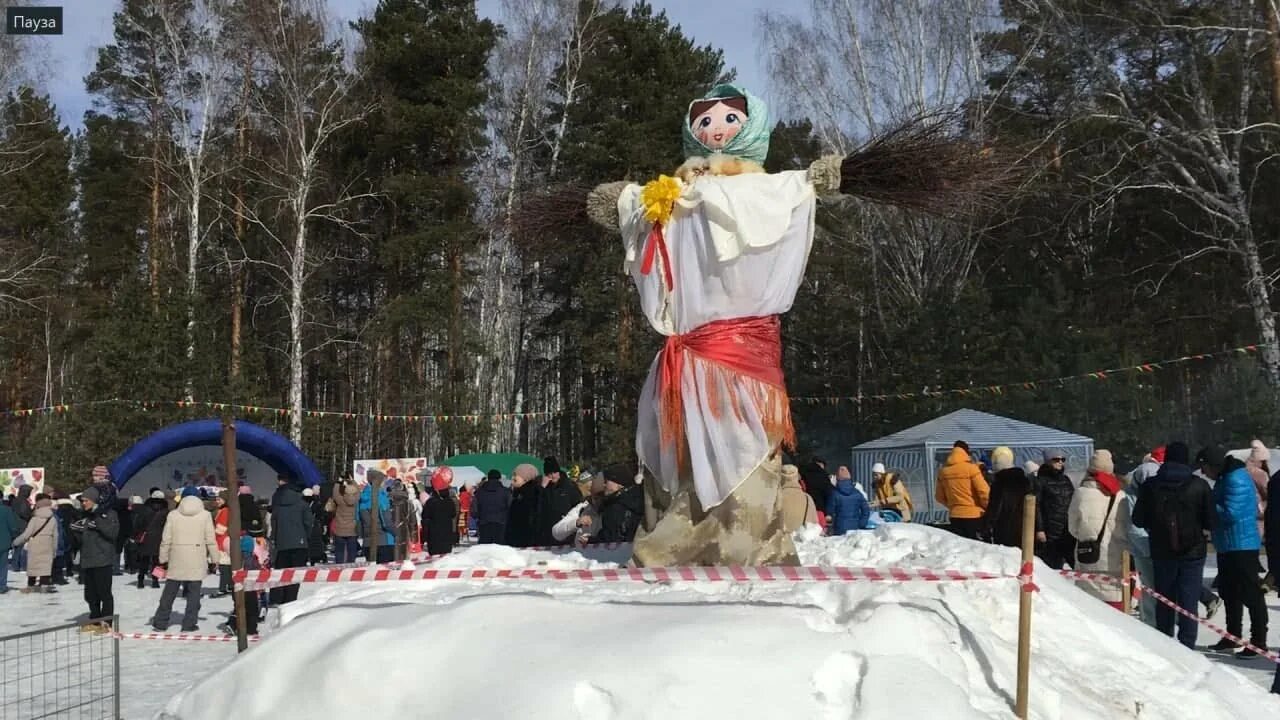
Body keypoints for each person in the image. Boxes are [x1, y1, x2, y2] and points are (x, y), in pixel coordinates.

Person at [1131, 441, 1214, 649]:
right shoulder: (1199, 485)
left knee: (1164, 599)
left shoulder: (1150, 486)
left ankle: (1165, 644)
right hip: (1193, 551)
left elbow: (1138, 519)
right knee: (1189, 600)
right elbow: (1211, 521)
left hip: (1161, 550)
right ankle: (1187, 645)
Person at [1197, 445, 1269, 656]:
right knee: (1229, 592)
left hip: (1242, 545)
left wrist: (1206, 506)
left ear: (1214, 465)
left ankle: (1258, 641)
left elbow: (1231, 513)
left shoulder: (1235, 479)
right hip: (1228, 544)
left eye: (1204, 467)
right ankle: (1232, 635)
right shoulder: (1224, 478)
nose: (1202, 473)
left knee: (1251, 592)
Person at [1067, 450, 1131, 608]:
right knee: (1117, 613)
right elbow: (1126, 529)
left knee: (1090, 612)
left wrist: (1088, 536)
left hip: (1089, 557)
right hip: (1116, 559)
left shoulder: (1081, 493)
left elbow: (1072, 527)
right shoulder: (1121, 496)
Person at [151, 489, 218, 632]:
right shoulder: (205, 515)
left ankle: (160, 622)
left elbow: (166, 539)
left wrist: (163, 558)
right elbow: (211, 540)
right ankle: (189, 623)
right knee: (194, 593)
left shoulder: (173, 515)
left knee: (169, 591)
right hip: (196, 557)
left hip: (177, 556)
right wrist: (214, 560)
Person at [72, 485, 119, 630]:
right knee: (90, 594)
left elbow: (113, 533)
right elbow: (83, 539)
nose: (83, 503)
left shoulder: (109, 514)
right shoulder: (85, 515)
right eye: (82, 501)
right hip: (88, 559)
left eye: (86, 501)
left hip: (103, 560)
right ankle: (95, 618)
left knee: (104, 592)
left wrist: (97, 522)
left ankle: (107, 621)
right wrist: (75, 532)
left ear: (94, 500)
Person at [1126, 448, 1163, 626]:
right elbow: (1134, 525)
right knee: (1150, 587)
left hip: (1155, 545)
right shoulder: (1132, 495)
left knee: (1157, 588)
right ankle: (1151, 623)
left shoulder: (1139, 490)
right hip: (1145, 547)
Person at [985, 446, 1042, 548]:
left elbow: (995, 508)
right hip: (1025, 529)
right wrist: (1039, 528)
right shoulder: (1025, 481)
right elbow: (1034, 505)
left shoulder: (999, 484)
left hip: (1005, 530)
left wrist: (986, 526)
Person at [269, 476, 312, 604]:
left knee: (281, 573)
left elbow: (274, 523)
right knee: (296, 574)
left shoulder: (278, 504)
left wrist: (275, 538)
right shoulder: (303, 504)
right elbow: (308, 523)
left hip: (282, 543)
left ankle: (277, 597)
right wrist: (305, 537)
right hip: (299, 543)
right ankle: (291, 599)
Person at [935, 444, 989, 540]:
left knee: (961, 548)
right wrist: (986, 508)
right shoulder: (972, 469)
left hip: (955, 516)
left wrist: (953, 506)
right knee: (977, 548)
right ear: (966, 452)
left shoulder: (943, 472)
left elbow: (939, 497)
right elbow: (984, 492)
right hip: (975, 515)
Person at [1036, 449, 1076, 569]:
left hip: (1067, 529)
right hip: (1050, 530)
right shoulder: (1040, 481)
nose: (1060, 462)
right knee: (1053, 566)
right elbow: (1036, 506)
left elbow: (1074, 500)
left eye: (1062, 459)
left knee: (1074, 565)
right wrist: (1040, 529)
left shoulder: (1066, 480)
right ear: (1048, 461)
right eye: (1056, 459)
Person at [13, 495, 59, 593]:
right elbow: (56, 535)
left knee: (33, 566)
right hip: (48, 544)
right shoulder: (52, 519)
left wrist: (16, 542)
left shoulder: (34, 518)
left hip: (35, 544)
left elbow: (27, 534)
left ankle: (30, 586)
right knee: (45, 566)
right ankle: (44, 586)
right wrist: (54, 548)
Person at [535, 457, 582, 547]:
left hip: (566, 531)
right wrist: (542, 489)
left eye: (554, 472)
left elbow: (579, 505)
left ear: (559, 472)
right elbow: (537, 507)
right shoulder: (543, 488)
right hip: (547, 533)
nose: (552, 476)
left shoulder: (569, 485)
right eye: (549, 474)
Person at [594, 464, 645, 543]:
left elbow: (612, 539)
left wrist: (591, 540)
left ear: (618, 483)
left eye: (606, 481)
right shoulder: (637, 499)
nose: (604, 485)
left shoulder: (616, 506)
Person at [133, 490, 169, 589]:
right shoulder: (165, 511)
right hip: (159, 538)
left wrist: (137, 534)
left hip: (146, 538)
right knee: (157, 561)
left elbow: (138, 523)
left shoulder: (144, 509)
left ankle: (140, 580)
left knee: (144, 560)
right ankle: (155, 580)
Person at [357, 474, 396, 563]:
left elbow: (358, 521)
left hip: (367, 543)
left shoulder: (362, 499)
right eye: (384, 482)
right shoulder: (381, 497)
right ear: (379, 483)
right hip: (384, 541)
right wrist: (397, 533)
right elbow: (387, 523)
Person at [422, 468, 458, 556]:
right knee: (445, 561)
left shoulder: (431, 502)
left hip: (434, 536)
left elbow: (425, 516)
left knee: (434, 561)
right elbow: (453, 514)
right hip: (447, 534)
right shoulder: (450, 502)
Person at [471, 469, 512, 544]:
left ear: (488, 478)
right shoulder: (506, 492)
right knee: (500, 550)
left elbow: (474, 511)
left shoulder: (479, 492)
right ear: (499, 479)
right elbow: (511, 508)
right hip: (501, 525)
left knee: (485, 550)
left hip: (484, 525)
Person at [827, 466, 871, 535]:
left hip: (839, 529)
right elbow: (866, 510)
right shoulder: (857, 493)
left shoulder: (834, 494)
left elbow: (829, 512)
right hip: (855, 528)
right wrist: (862, 523)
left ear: (837, 478)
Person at [506, 463, 541, 547]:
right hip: (517, 540)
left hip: (524, 540)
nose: (512, 478)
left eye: (515, 476)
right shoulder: (518, 493)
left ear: (526, 478)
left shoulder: (530, 494)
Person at [326, 478, 360, 563]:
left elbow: (335, 493)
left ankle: (339, 568)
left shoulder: (340, 500)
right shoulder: (356, 500)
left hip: (339, 529)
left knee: (339, 551)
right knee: (352, 552)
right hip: (352, 530)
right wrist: (352, 480)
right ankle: (350, 567)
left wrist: (338, 482)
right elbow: (358, 491)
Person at [779, 464, 818, 535]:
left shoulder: (773, 498)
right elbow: (813, 527)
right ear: (796, 477)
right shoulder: (807, 498)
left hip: (780, 543)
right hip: (800, 543)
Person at [211, 492, 233, 597]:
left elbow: (221, 529)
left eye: (219, 499)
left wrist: (213, 535)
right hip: (225, 540)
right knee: (227, 565)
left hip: (222, 540)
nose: (217, 501)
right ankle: (229, 585)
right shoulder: (225, 510)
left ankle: (223, 587)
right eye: (216, 499)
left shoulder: (224, 511)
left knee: (224, 565)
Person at [302, 487, 328, 565]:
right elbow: (322, 515)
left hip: (311, 525)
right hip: (316, 525)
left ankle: (314, 557)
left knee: (312, 542)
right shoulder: (317, 503)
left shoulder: (304, 504)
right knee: (316, 542)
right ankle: (318, 556)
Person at [0, 497, 19, 593]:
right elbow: (12, 526)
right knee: (3, 565)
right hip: (4, 542)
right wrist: (14, 537)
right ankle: (1, 586)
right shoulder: (7, 510)